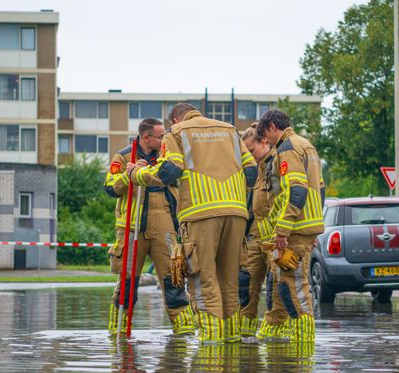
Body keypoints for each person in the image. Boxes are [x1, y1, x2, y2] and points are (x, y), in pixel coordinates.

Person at [132, 103, 258, 344]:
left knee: (203, 280)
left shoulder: (177, 133)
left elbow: (170, 171)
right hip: (236, 213)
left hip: (200, 214)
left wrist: (137, 175)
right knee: (230, 282)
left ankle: (211, 346)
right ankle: (232, 341)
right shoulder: (230, 130)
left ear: (175, 120)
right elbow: (251, 171)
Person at [104, 118, 194, 336]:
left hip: (165, 224)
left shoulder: (168, 156)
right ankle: (118, 332)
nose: (165, 139)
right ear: (146, 137)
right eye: (160, 136)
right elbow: (109, 187)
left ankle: (184, 333)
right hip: (132, 227)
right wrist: (129, 175)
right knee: (127, 284)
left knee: (174, 279)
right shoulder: (124, 156)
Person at [255, 109, 325, 343]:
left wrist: (283, 231)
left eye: (266, 136)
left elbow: (295, 190)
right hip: (305, 224)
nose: (267, 142)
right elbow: (320, 189)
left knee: (294, 285)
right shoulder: (307, 145)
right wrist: (315, 225)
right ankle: (276, 332)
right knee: (282, 284)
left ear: (273, 127)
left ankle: (303, 340)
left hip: (295, 227)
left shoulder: (287, 149)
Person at [238, 124, 276, 337]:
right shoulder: (252, 172)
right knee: (245, 287)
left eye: (251, 151)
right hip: (253, 237)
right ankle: (245, 337)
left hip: (274, 238)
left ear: (265, 143)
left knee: (275, 290)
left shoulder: (276, 165)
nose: (249, 157)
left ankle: (277, 340)